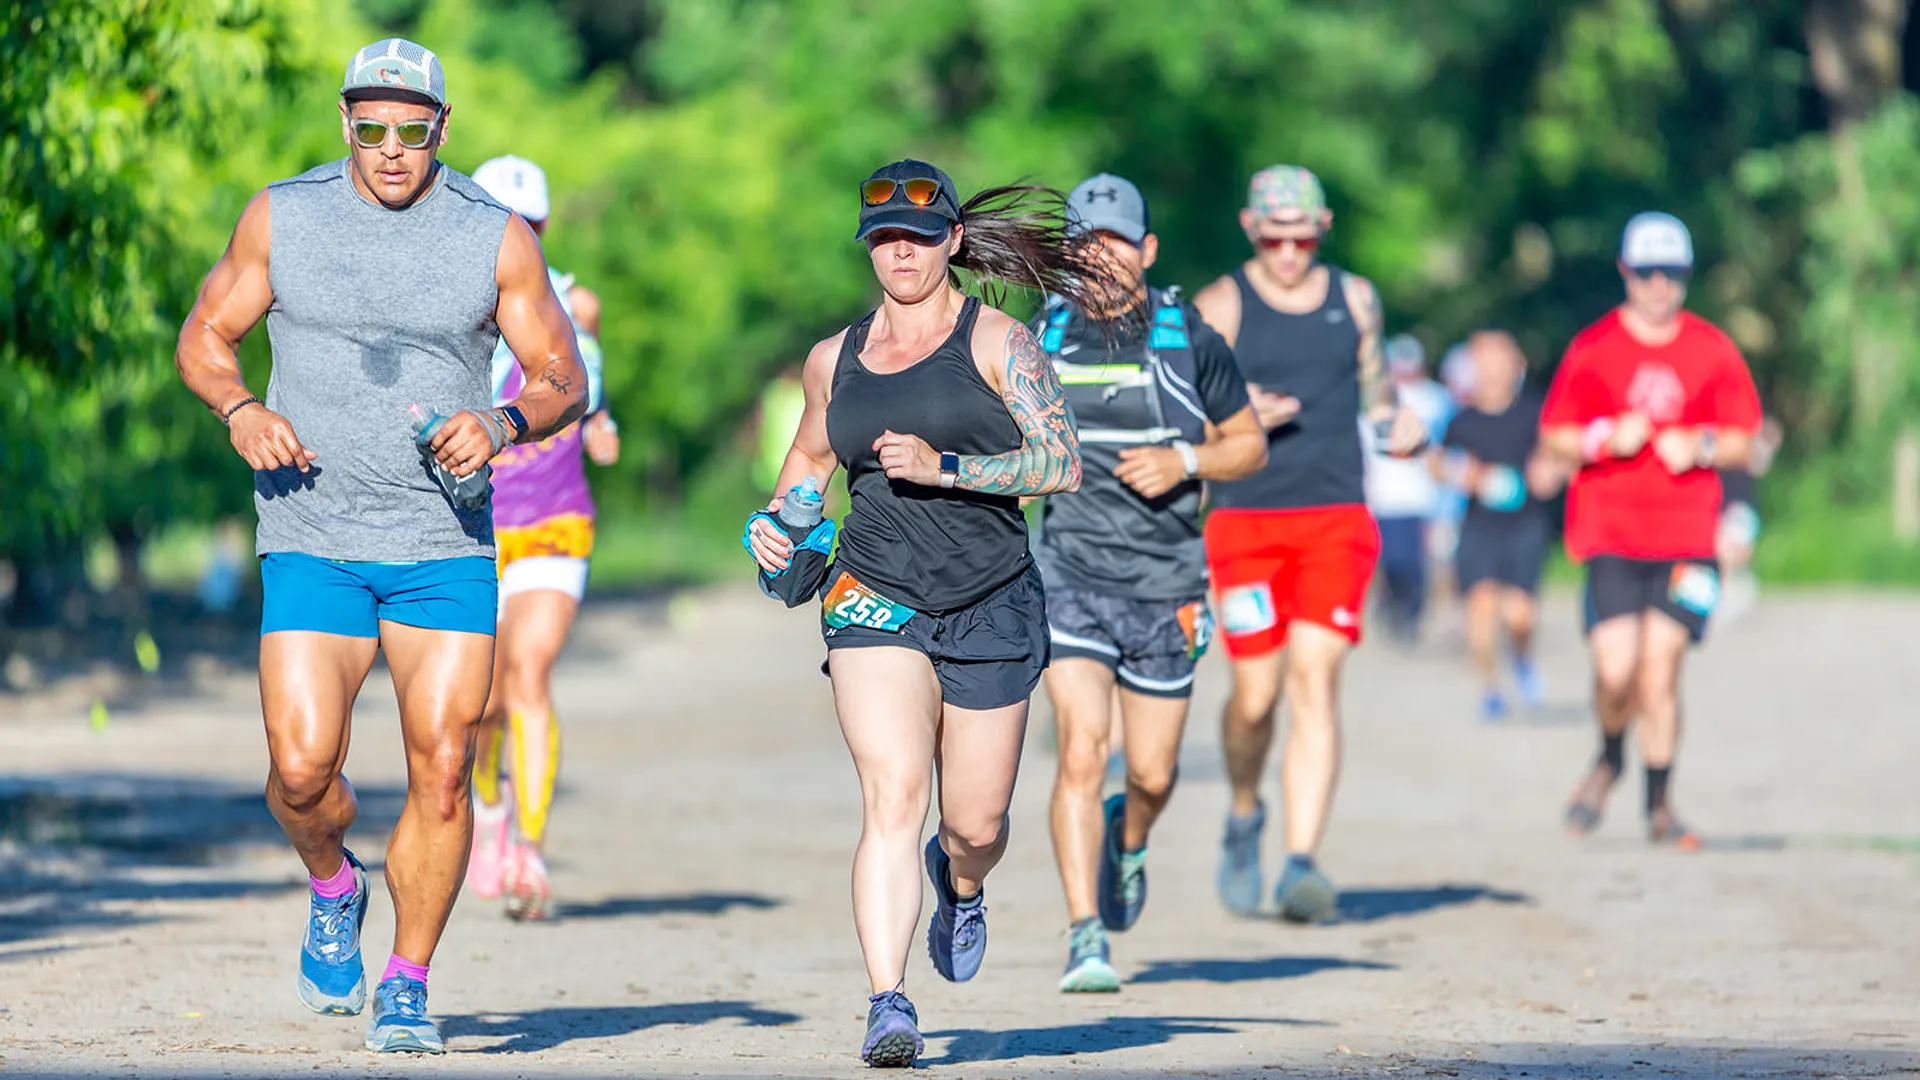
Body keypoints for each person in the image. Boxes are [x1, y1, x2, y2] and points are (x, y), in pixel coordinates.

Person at [172, 38, 588, 1053]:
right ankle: (333, 881)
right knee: (302, 771)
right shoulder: (285, 214)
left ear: (443, 129)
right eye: (372, 128)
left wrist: (501, 425)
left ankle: (407, 978)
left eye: (412, 130)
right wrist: (236, 411)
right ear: (346, 124)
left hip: (441, 545)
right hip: (310, 531)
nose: (392, 149)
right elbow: (204, 336)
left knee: (444, 767)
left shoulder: (494, 238)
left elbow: (560, 374)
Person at [743, 160, 1101, 1066]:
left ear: (951, 240)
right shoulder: (837, 358)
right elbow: (806, 466)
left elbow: (1061, 463)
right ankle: (889, 1002)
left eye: (918, 236)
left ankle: (964, 886)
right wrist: (776, 528)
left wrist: (950, 467)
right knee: (892, 794)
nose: (900, 253)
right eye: (884, 240)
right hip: (873, 593)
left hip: (990, 601)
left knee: (973, 825)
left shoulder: (1000, 344)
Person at [1029, 174, 1267, 992]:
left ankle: (1128, 844)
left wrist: (1186, 461)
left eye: (1118, 241)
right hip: (1069, 573)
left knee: (1152, 774)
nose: (1102, 256)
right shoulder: (1042, 333)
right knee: (1082, 751)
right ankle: (1084, 935)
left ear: (1147, 250)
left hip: (1167, 584)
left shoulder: (1187, 335)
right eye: (1087, 243)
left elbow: (1249, 443)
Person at [1191, 165, 1427, 922]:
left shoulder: (1355, 297)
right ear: (1248, 229)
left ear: (1321, 230)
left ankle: (1300, 862)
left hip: (1335, 516)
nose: (1288, 253)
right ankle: (1241, 813)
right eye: (1273, 237)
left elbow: (1378, 390)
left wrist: (1400, 425)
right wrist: (1237, 411)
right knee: (1255, 697)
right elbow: (1173, 407)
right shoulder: (1221, 304)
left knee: (1316, 681)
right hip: (1245, 522)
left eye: (1301, 237)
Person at [1539, 212, 1761, 850]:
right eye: (1647, 273)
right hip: (1608, 534)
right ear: (1624, 273)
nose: (1660, 285)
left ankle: (1660, 805)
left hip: (1689, 538)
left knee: (1660, 671)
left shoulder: (1713, 349)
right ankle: (1610, 757)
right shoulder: (1593, 348)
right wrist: (1604, 436)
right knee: (1616, 673)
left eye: (1674, 274)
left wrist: (1703, 441)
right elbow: (1554, 436)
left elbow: (1749, 442)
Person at [463, 154, 621, 923]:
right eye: (502, 220)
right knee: (481, 700)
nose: (516, 234)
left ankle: (527, 844)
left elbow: (589, 383)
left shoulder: (573, 305)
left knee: (528, 672)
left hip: (557, 517)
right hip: (472, 527)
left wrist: (603, 425)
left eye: (528, 222)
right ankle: (487, 809)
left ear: (545, 227)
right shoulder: (450, 303)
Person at [1434, 330, 1565, 719]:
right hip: (1479, 526)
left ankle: (1522, 658)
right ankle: (1490, 687)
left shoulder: (1535, 411)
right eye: (1483, 361)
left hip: (1525, 524)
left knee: (1520, 616)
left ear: (1517, 366)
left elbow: (1559, 454)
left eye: (1500, 360)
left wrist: (1551, 471)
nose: (1492, 369)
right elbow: (1437, 462)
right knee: (1480, 609)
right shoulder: (1461, 420)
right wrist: (1463, 474)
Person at [1362, 334, 1452, 644]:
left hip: (1419, 497)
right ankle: (1392, 607)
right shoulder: (1371, 401)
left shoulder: (1435, 398)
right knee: (1389, 560)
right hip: (1382, 495)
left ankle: (1411, 614)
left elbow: (1442, 447)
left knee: (1414, 562)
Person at [1714, 416, 1782, 623]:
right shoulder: (1712, 441)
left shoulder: (1750, 445)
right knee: (1721, 553)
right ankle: (1725, 591)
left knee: (1731, 551)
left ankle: (1733, 587)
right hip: (1716, 507)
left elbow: (1767, 449)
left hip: (1740, 507)